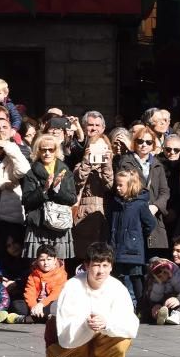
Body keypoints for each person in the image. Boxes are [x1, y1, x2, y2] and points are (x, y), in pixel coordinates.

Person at [45, 242, 140, 357]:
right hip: (66, 344)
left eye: (105, 265)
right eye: (96, 265)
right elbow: (65, 336)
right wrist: (86, 324)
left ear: (111, 267)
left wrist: (107, 323)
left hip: (97, 339)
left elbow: (130, 325)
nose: (100, 271)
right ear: (87, 266)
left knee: (123, 339)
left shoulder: (117, 288)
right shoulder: (72, 287)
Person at [21, 134, 78, 260]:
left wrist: (57, 189)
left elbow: (72, 199)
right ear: (38, 151)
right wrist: (44, 189)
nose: (47, 153)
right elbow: (26, 201)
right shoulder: (31, 173)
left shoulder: (65, 171)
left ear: (56, 151)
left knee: (58, 267)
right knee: (37, 266)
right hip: (38, 225)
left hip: (60, 224)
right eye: (43, 149)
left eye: (51, 150)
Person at [118, 126, 170, 259]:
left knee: (154, 263)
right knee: (134, 263)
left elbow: (164, 191)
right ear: (134, 142)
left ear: (153, 144)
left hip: (153, 217)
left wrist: (156, 206)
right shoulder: (125, 162)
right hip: (133, 216)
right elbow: (124, 189)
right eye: (140, 141)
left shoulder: (157, 164)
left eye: (148, 142)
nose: (144, 145)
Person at [71, 112, 114, 273]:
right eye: (90, 125)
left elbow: (109, 185)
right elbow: (78, 182)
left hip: (103, 212)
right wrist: (87, 161)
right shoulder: (80, 162)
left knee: (101, 256)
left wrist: (107, 163)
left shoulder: (110, 163)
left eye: (97, 125)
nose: (94, 128)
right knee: (84, 255)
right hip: (84, 212)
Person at [108, 169, 156, 307]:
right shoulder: (115, 203)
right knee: (118, 279)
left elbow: (150, 223)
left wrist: (135, 236)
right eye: (116, 185)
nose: (117, 188)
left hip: (133, 249)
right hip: (116, 248)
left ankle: (142, 307)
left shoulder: (139, 204)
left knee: (136, 278)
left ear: (131, 185)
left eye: (121, 185)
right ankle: (121, 306)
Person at [23, 244, 68, 323]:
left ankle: (32, 318)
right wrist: (34, 307)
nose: (46, 263)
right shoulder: (33, 275)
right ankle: (38, 316)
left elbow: (56, 294)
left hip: (50, 302)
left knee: (57, 305)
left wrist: (41, 304)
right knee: (18, 306)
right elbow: (30, 292)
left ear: (55, 260)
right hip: (37, 304)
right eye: (42, 260)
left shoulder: (61, 274)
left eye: (49, 259)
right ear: (37, 260)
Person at [143, 258, 180, 325]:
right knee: (154, 307)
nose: (163, 275)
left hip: (176, 297)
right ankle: (161, 315)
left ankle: (176, 315)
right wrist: (159, 283)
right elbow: (155, 298)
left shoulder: (176, 273)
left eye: (165, 272)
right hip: (162, 300)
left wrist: (172, 277)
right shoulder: (154, 280)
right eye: (159, 274)